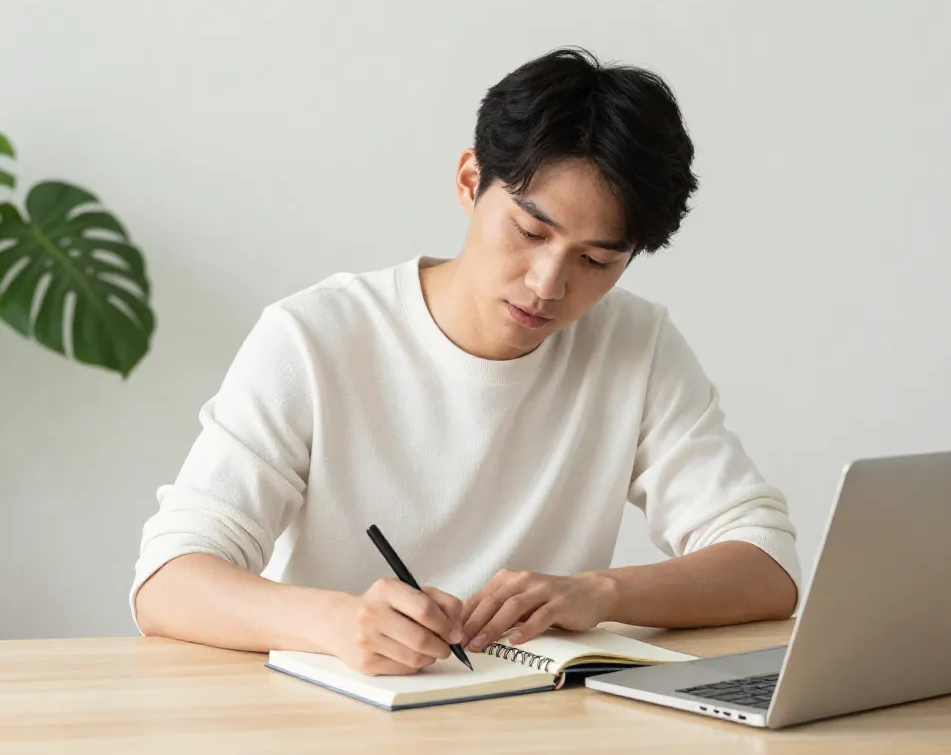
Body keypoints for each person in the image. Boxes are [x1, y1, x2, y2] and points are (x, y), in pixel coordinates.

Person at [132, 46, 800, 677]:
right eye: (530, 232)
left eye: (596, 261)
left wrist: (599, 591)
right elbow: (167, 581)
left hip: (537, 719)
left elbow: (767, 564)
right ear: (469, 181)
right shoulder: (314, 338)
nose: (548, 283)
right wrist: (335, 621)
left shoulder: (635, 344)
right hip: (338, 717)